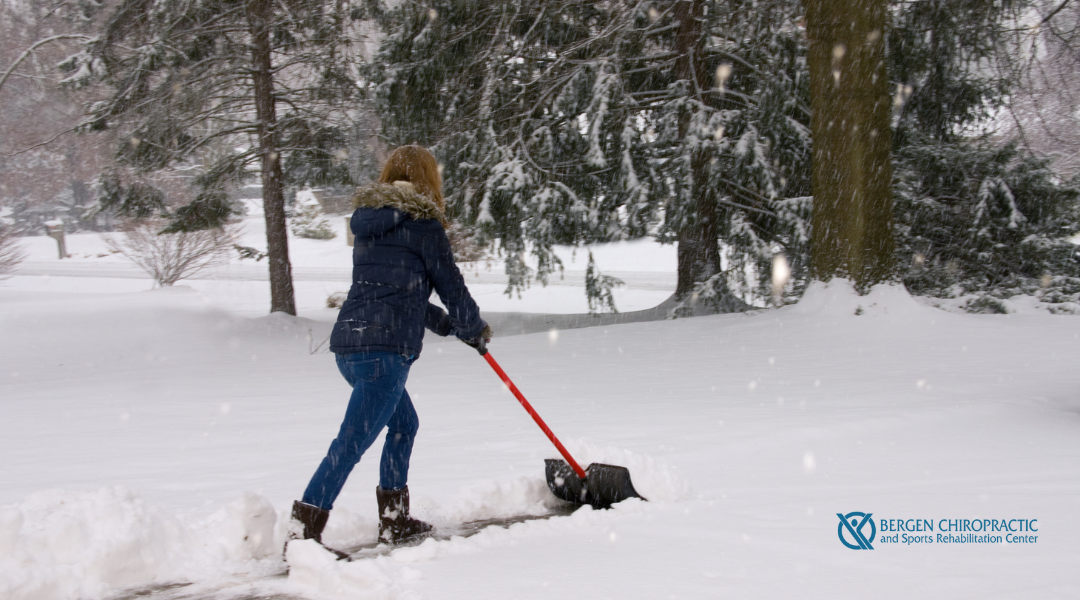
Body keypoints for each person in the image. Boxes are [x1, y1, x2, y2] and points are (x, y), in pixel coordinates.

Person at [288, 145, 491, 559]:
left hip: (350, 345)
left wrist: (452, 327)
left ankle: (396, 521)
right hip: (384, 354)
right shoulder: (424, 225)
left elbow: (400, 292)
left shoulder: (368, 224)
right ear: (429, 180)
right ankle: (302, 537)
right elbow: (451, 287)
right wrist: (474, 327)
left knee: (404, 424)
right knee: (350, 443)